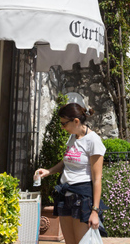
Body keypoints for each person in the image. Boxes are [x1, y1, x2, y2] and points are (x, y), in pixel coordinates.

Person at [36, 103, 106, 244]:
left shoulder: (93, 141)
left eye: (64, 123)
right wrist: (49, 171)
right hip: (65, 195)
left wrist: (95, 211)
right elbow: (66, 161)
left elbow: (97, 179)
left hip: (82, 197)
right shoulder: (73, 137)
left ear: (76, 121)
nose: (62, 127)